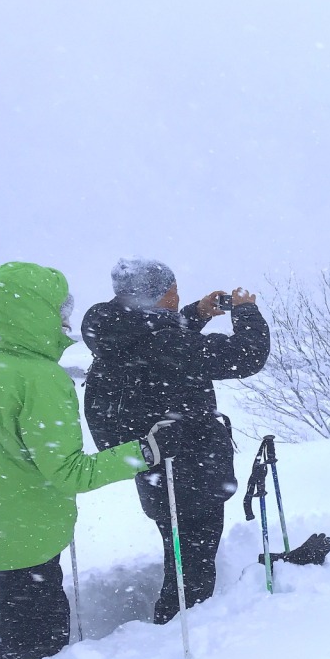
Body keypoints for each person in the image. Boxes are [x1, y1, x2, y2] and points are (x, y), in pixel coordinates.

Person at [0, 261, 179, 659]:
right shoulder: (40, 378)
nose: (67, 320)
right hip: (30, 529)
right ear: (33, 312)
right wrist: (147, 450)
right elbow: (71, 472)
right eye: (59, 310)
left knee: (14, 619)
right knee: (38, 646)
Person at [81, 258, 270, 624]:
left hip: (156, 468)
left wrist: (196, 313)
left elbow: (159, 336)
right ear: (150, 295)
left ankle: (176, 623)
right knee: (191, 575)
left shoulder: (118, 329)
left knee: (180, 556)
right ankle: (177, 634)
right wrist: (247, 313)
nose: (177, 297)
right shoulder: (161, 341)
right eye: (172, 292)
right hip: (190, 472)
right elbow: (246, 357)